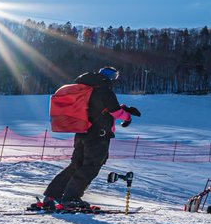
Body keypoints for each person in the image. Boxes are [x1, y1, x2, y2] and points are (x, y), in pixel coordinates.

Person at [41, 67, 140, 211]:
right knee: (91, 166)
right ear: (111, 78)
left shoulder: (86, 88)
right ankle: (71, 198)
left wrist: (124, 108)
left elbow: (101, 108)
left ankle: (51, 195)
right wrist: (127, 117)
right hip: (98, 135)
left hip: (82, 132)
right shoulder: (105, 90)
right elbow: (115, 111)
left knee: (76, 165)